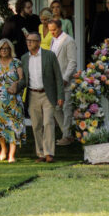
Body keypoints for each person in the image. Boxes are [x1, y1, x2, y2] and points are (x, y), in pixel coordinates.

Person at [21, 33, 64, 163]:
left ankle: (49, 153)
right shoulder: (24, 58)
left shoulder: (49, 56)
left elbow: (58, 77)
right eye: (27, 41)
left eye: (32, 41)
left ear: (39, 42)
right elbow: (24, 79)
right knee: (36, 125)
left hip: (48, 94)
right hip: (32, 94)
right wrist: (15, 86)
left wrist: (60, 95)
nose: (29, 43)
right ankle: (41, 154)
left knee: (48, 123)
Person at [0, 36, 25, 162]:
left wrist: (16, 84)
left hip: (13, 99)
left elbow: (22, 79)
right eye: (2, 48)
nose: (4, 50)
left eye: (7, 48)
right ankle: (3, 149)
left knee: (13, 126)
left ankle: (12, 155)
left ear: (10, 49)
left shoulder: (16, 62)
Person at [47, 18, 77, 145]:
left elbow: (72, 62)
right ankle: (67, 133)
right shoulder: (53, 41)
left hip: (66, 80)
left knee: (67, 107)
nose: (52, 32)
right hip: (54, 79)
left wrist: (65, 77)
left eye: (54, 30)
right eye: (50, 30)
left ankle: (66, 136)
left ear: (60, 28)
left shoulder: (69, 41)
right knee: (55, 107)